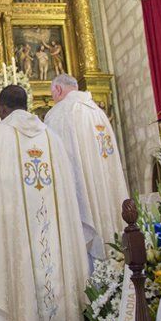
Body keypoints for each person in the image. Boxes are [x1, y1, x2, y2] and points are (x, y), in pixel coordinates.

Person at [0, 85, 92, 321]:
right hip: (52, 225)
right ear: (26, 105)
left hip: (16, 230)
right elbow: (68, 185)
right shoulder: (52, 137)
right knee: (55, 265)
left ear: (1, 109)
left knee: (20, 272)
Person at [44, 74, 125, 252]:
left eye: (52, 94)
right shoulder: (98, 111)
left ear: (58, 89)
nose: (53, 99)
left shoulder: (59, 113)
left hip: (82, 190)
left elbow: (56, 159)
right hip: (104, 186)